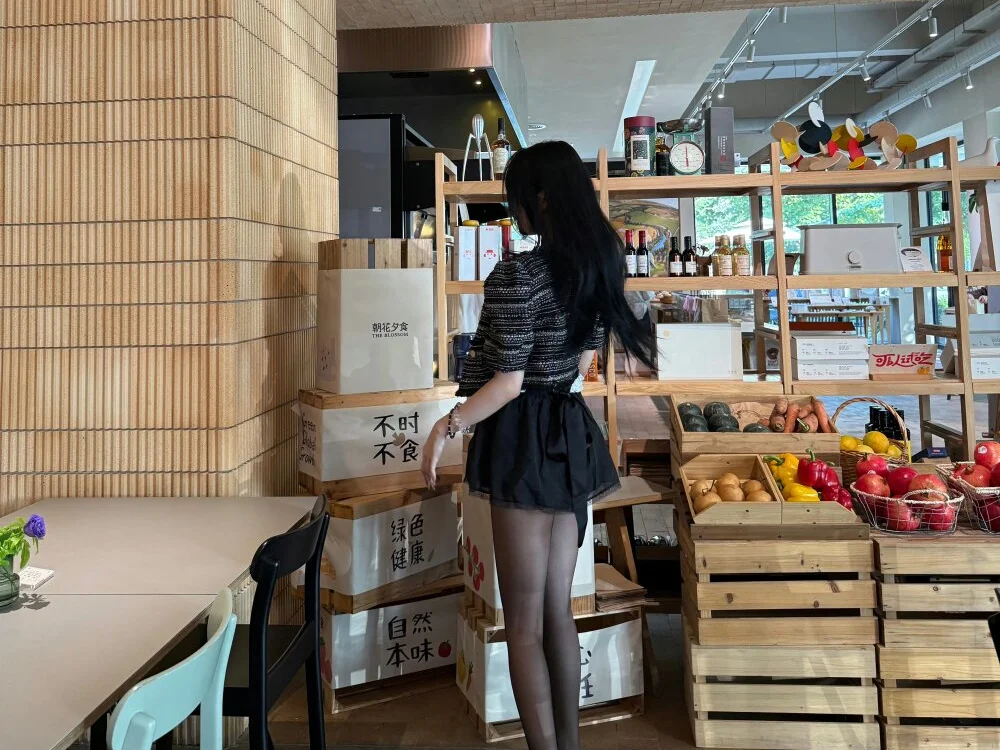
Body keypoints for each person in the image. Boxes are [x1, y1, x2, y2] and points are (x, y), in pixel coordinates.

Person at [421, 141, 655, 750]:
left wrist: (447, 426)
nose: (513, 209)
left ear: (541, 199)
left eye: (517, 198)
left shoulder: (517, 274)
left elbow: (508, 381)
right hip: (569, 437)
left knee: (522, 623)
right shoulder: (598, 267)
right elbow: (578, 364)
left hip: (522, 440)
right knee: (557, 610)